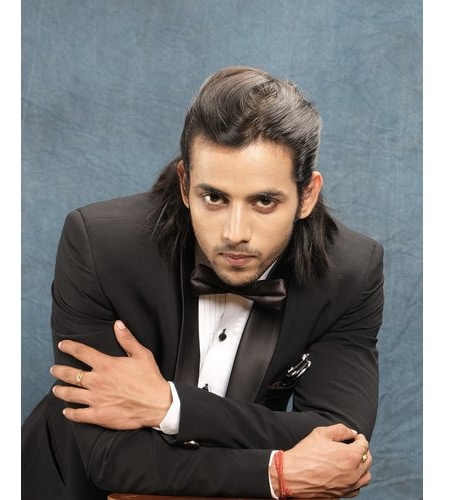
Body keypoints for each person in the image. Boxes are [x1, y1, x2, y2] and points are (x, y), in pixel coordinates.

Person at [21, 66, 384, 500]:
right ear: (185, 184)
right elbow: (111, 458)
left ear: (307, 195)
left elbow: (342, 444)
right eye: (214, 197)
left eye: (264, 201)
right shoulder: (101, 246)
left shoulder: (351, 272)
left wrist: (171, 405)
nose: (235, 232)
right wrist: (275, 473)